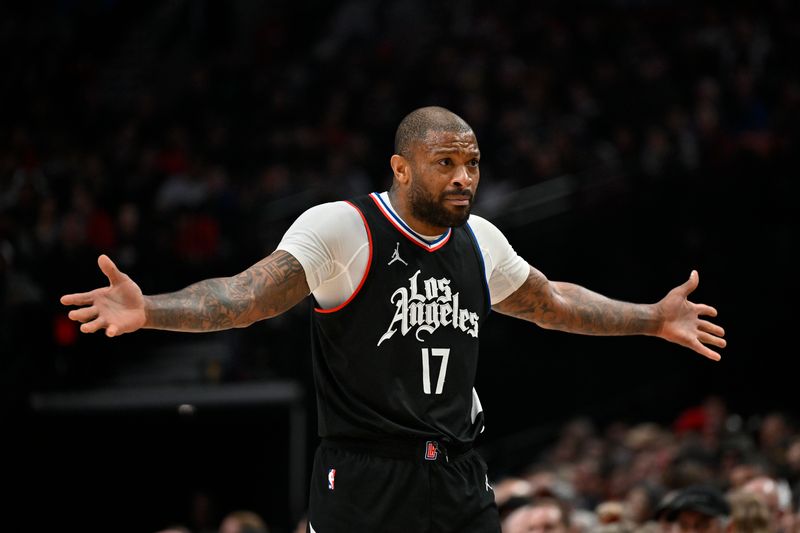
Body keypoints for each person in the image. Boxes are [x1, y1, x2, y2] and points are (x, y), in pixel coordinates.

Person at [61, 106, 727, 532]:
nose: (463, 177)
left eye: (471, 164)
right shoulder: (344, 229)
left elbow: (551, 302)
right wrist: (150, 308)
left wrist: (650, 317)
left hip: (459, 474)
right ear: (401, 168)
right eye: (446, 164)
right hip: (363, 476)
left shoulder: (481, 241)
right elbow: (245, 295)